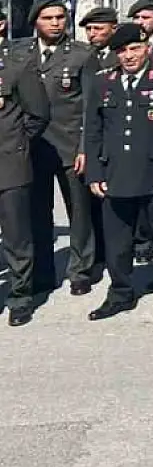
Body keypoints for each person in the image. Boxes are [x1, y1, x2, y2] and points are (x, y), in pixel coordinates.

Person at [83, 23, 153, 320]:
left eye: (134, 48)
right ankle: (120, 293)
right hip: (116, 174)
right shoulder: (103, 82)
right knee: (118, 241)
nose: (129, 56)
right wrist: (94, 173)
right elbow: (92, 132)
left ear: (146, 48)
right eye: (122, 51)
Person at [17, 0, 103, 297]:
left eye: (60, 17)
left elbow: (91, 107)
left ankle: (81, 269)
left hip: (70, 145)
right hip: (31, 147)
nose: (55, 23)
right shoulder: (20, 54)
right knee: (38, 212)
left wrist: (85, 148)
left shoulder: (82, 55)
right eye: (48, 18)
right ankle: (42, 271)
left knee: (79, 211)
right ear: (35, 22)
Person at [0, 39, 49, 325]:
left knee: (17, 237)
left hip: (8, 164)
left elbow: (38, 114)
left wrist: (17, 144)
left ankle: (20, 296)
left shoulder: (17, 66)